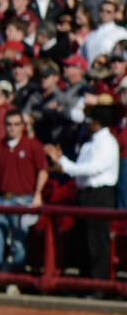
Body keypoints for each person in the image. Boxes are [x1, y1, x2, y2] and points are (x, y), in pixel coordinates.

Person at [51, 97, 120, 278]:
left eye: (90, 120)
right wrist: (63, 161)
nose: (87, 124)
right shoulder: (91, 143)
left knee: (97, 240)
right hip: (86, 194)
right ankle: (86, 280)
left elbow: (92, 169)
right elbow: (82, 169)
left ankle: (99, 284)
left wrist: (64, 165)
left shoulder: (107, 143)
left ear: (97, 123)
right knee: (83, 240)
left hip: (100, 195)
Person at [0, 110, 48, 276]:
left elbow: (43, 171)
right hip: (1, 198)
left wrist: (38, 194)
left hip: (24, 200)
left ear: (22, 126)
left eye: (16, 124)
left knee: (19, 242)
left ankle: (17, 279)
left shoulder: (33, 146)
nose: (12, 128)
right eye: (9, 124)